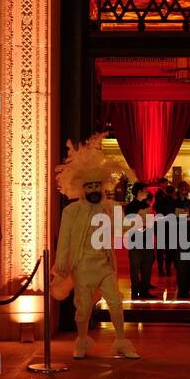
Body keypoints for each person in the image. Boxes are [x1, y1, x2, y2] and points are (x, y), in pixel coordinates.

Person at [52, 135, 139, 360]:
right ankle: (81, 341)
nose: (93, 189)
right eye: (89, 185)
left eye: (96, 185)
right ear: (81, 188)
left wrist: (141, 220)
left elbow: (123, 226)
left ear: (102, 186)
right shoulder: (71, 211)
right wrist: (61, 260)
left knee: (116, 303)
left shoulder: (108, 208)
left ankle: (121, 342)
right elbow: (64, 238)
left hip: (105, 265)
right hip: (82, 266)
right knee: (82, 307)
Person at [125, 181, 157, 299]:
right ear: (139, 192)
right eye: (145, 190)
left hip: (147, 239)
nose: (147, 192)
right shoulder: (131, 206)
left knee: (147, 267)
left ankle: (144, 291)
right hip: (135, 240)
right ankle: (135, 291)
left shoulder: (146, 205)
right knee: (135, 266)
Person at [173, 182, 190, 300]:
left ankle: (188, 287)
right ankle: (182, 289)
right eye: (183, 188)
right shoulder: (174, 203)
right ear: (179, 189)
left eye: (186, 188)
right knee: (181, 264)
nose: (185, 190)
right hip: (179, 235)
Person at [154, 184, 177, 277]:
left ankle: (160, 269)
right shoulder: (174, 202)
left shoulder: (159, 201)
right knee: (169, 251)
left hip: (160, 226)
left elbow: (155, 208)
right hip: (171, 227)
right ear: (173, 192)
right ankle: (168, 269)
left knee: (160, 250)